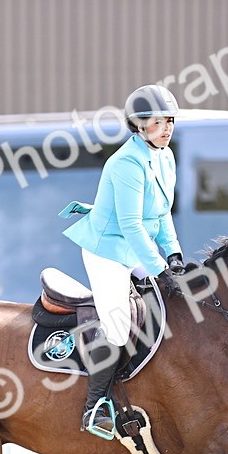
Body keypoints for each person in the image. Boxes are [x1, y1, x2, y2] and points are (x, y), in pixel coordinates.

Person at [62, 84, 186, 436]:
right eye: (158, 122)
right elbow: (131, 225)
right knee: (117, 327)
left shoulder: (166, 156)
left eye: (170, 122)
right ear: (137, 125)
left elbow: (162, 214)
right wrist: (160, 269)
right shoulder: (126, 163)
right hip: (107, 251)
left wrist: (174, 255)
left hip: (135, 247)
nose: (167, 129)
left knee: (170, 305)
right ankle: (94, 407)